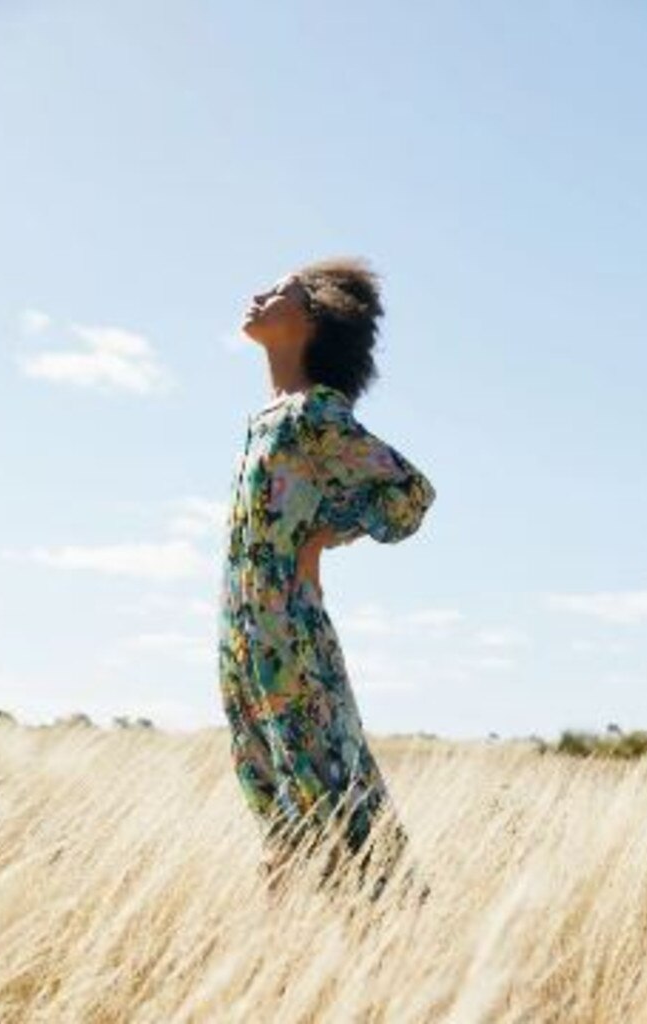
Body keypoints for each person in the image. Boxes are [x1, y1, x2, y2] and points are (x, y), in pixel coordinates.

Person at [217, 256, 437, 902]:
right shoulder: (268, 418)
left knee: (324, 792)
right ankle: (294, 964)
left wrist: (327, 537)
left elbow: (409, 493)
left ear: (311, 318)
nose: (257, 296)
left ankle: (389, 935)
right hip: (243, 636)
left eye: (279, 293)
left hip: (289, 635)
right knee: (271, 796)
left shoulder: (314, 414)